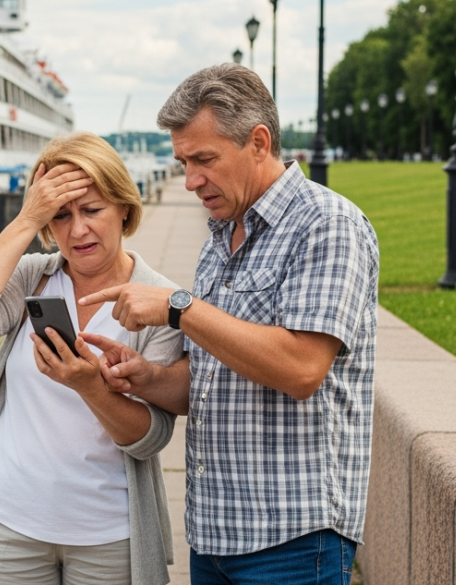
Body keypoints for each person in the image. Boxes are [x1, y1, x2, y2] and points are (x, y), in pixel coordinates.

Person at [80, 64, 379, 585]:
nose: (191, 180)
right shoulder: (222, 235)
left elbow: (302, 368)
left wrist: (179, 307)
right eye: (182, 161)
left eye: (204, 160)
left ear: (259, 142)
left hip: (292, 541)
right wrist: (147, 377)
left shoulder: (327, 224)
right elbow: (209, 378)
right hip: (215, 536)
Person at [0, 132, 185, 585]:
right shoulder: (33, 277)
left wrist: (90, 386)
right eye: (59, 216)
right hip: (7, 525)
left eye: (92, 210)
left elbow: (151, 438)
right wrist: (26, 220)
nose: (76, 231)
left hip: (109, 536)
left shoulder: (159, 302)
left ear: (125, 209)